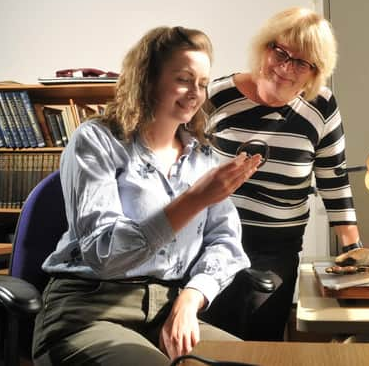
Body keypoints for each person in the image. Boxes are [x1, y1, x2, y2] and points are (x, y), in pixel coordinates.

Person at [32, 26, 262, 366]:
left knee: (254, 361)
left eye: (202, 83)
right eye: (184, 79)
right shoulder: (96, 141)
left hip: (169, 310)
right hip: (89, 311)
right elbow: (104, 254)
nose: (195, 93)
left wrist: (191, 298)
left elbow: (225, 243)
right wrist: (195, 199)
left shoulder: (203, 159)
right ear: (148, 79)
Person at [202, 7, 362, 341]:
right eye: (281, 52)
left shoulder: (322, 107)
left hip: (277, 248)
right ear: (265, 47)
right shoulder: (217, 97)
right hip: (214, 238)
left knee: (260, 330)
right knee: (212, 336)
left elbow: (333, 179)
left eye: (301, 62)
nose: (285, 68)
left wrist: (354, 248)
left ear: (315, 71)